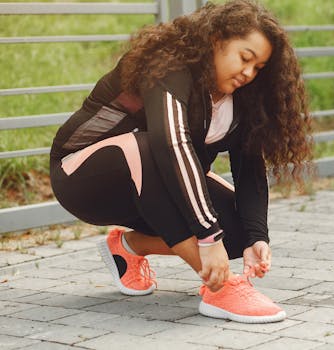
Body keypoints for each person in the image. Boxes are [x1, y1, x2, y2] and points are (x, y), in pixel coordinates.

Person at [49, 0, 312, 324]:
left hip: (153, 186)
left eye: (258, 67)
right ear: (217, 41)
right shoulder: (168, 64)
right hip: (82, 175)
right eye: (245, 58)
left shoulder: (243, 100)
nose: (249, 72)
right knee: (151, 148)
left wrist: (257, 236)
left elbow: (250, 170)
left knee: (239, 227)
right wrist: (208, 235)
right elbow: (171, 143)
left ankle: (129, 246)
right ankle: (221, 285)